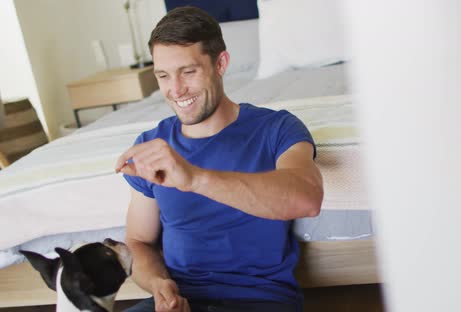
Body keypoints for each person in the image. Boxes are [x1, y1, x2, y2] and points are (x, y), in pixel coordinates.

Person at [115, 6, 323, 312]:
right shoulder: (151, 145)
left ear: (221, 63)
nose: (175, 90)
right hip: (180, 300)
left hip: (258, 301)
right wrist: (159, 285)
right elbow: (138, 241)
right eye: (163, 75)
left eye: (188, 71)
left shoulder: (277, 129)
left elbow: (307, 198)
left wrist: (194, 178)